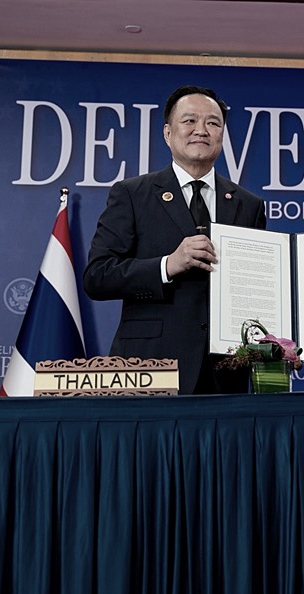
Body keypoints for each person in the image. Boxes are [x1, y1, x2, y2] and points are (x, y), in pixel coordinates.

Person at [84, 85, 266, 395]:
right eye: (190, 121)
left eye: (212, 123)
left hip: (225, 372)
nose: (201, 130)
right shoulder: (132, 194)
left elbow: (259, 289)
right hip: (150, 367)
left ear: (222, 135)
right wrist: (167, 265)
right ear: (168, 133)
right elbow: (97, 277)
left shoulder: (248, 205)